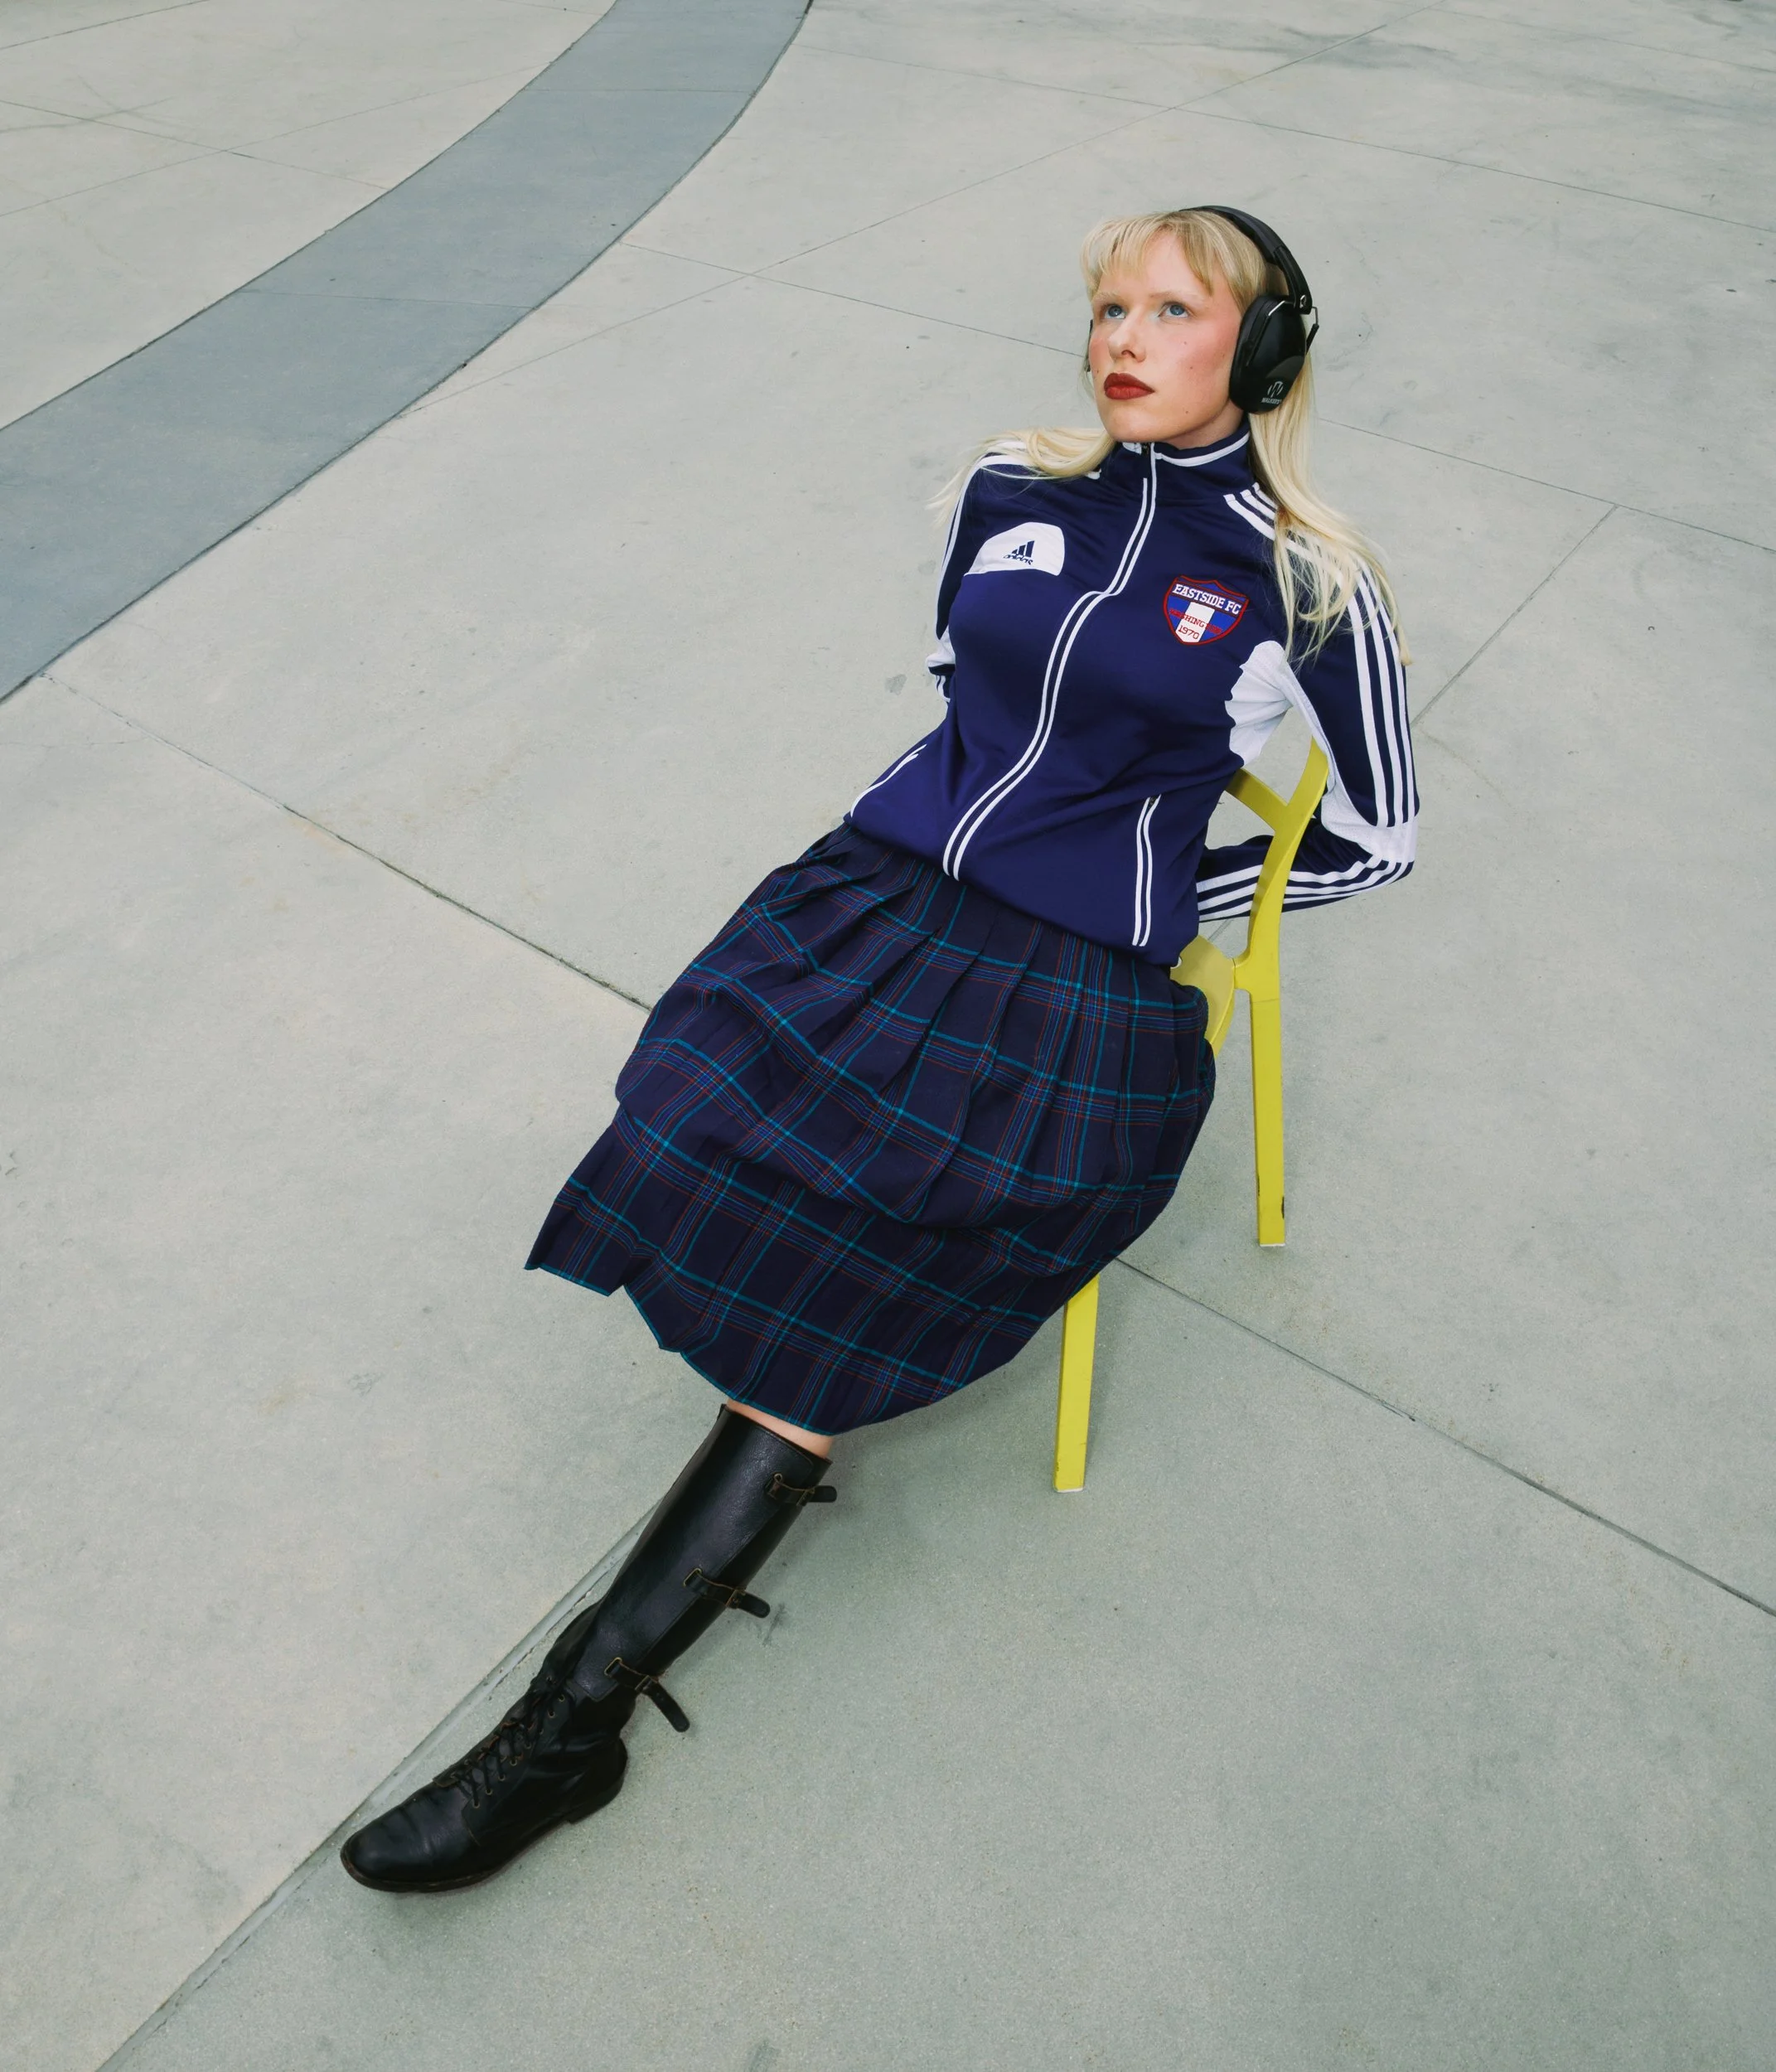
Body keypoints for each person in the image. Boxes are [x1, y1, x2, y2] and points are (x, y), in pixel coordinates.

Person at [341, 206, 1418, 1894]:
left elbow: (1374, 838)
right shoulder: (1011, 488)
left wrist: (1157, 892)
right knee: (683, 1102)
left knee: (868, 1243)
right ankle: (777, 1392)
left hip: (1067, 987)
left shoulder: (1310, 580)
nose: (1121, 339)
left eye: (1170, 311)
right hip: (878, 892)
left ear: (1264, 350)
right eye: (1108, 307)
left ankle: (571, 1724)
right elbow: (956, 678)